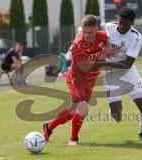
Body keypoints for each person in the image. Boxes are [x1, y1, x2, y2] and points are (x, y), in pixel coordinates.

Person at [43, 15, 115, 146]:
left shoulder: (104, 37)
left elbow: (117, 41)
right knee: (83, 108)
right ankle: (73, 138)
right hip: (76, 77)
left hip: (91, 79)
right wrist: (103, 56)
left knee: (72, 111)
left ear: (96, 29)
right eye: (84, 31)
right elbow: (86, 67)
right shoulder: (77, 45)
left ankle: (48, 128)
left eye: (90, 32)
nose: (86, 35)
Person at [87, 8, 142, 141]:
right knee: (117, 117)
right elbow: (96, 39)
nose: (121, 26)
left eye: (125, 24)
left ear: (132, 23)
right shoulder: (109, 26)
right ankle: (115, 110)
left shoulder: (136, 37)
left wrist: (102, 65)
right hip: (111, 76)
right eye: (120, 23)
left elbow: (127, 63)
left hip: (129, 74)